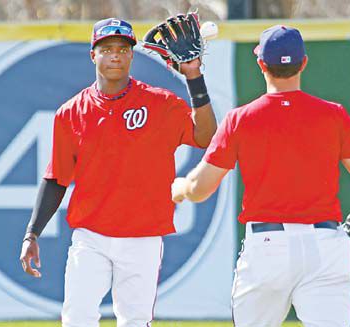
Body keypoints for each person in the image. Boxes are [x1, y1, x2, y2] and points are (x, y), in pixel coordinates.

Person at [171, 25, 350, 327]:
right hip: (325, 246)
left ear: (260, 64)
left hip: (268, 246)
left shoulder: (240, 119)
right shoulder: (333, 114)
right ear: (304, 63)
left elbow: (200, 188)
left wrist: (179, 188)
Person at [19, 18, 217, 327]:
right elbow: (57, 178)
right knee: (77, 318)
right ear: (93, 55)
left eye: (123, 49)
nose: (115, 56)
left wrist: (194, 77)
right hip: (91, 236)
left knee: (135, 321)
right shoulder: (70, 113)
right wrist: (32, 233)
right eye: (107, 49)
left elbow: (205, 137)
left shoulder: (160, 103)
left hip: (144, 235)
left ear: (131, 56)